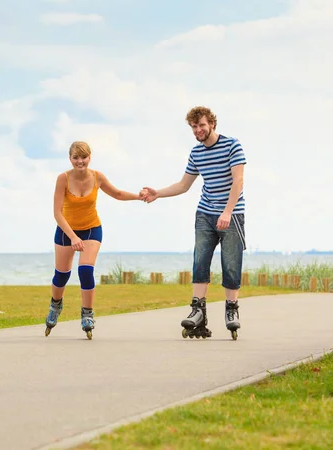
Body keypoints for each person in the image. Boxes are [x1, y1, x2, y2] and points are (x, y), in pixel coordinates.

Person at [140, 106, 247, 339]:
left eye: (201, 125)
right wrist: (157, 193)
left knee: (230, 263)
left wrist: (227, 212)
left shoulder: (232, 145)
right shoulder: (196, 153)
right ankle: (198, 311)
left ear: (212, 124)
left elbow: (238, 182)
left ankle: (231, 310)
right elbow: (183, 185)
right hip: (205, 214)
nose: (198, 130)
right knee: (200, 261)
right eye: (194, 127)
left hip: (232, 213)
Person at [45, 141, 144, 339]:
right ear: (70, 158)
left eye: (84, 157)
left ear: (90, 157)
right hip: (66, 230)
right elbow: (57, 213)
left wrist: (138, 197)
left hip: (91, 229)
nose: (80, 161)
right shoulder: (62, 179)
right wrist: (73, 236)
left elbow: (116, 193)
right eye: (75, 158)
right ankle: (56, 304)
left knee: (85, 269)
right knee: (61, 275)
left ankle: (87, 313)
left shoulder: (97, 177)